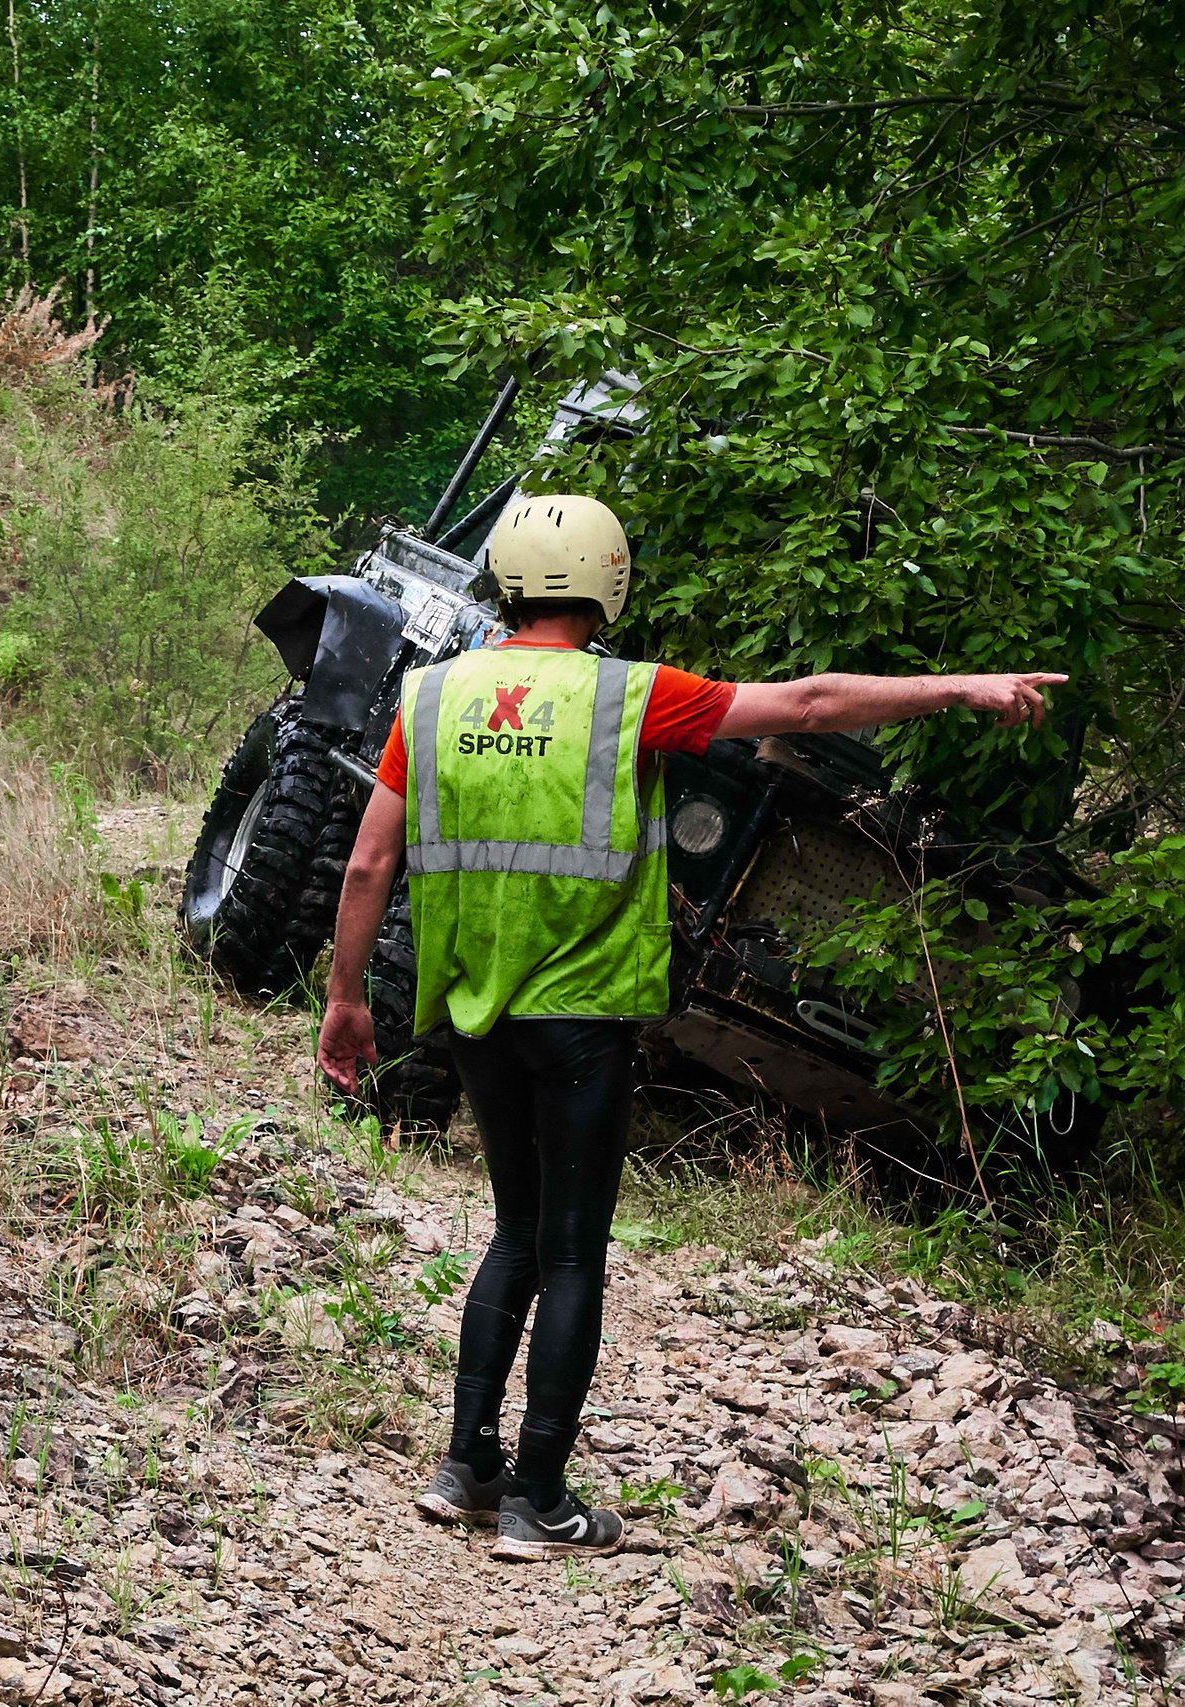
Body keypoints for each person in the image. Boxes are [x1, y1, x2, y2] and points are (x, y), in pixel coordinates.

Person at [315, 493, 1066, 1563]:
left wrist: (346, 1001)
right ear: (608, 579)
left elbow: (365, 862)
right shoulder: (632, 697)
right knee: (572, 1252)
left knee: (514, 1235)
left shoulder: (434, 696)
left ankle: (463, 1464)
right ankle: (538, 1501)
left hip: (476, 1009)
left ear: (508, 579)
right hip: (583, 1018)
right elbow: (806, 706)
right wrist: (955, 688)